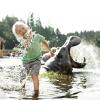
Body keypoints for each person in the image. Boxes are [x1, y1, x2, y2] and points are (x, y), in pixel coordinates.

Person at [12, 21, 53, 97]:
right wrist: (25, 41)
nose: (22, 31)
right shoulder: (22, 41)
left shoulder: (37, 36)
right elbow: (24, 47)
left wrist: (50, 51)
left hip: (36, 60)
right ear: (18, 35)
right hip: (25, 61)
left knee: (34, 75)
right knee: (23, 76)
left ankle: (36, 92)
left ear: (26, 27)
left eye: (23, 28)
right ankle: (22, 90)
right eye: (19, 31)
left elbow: (44, 42)